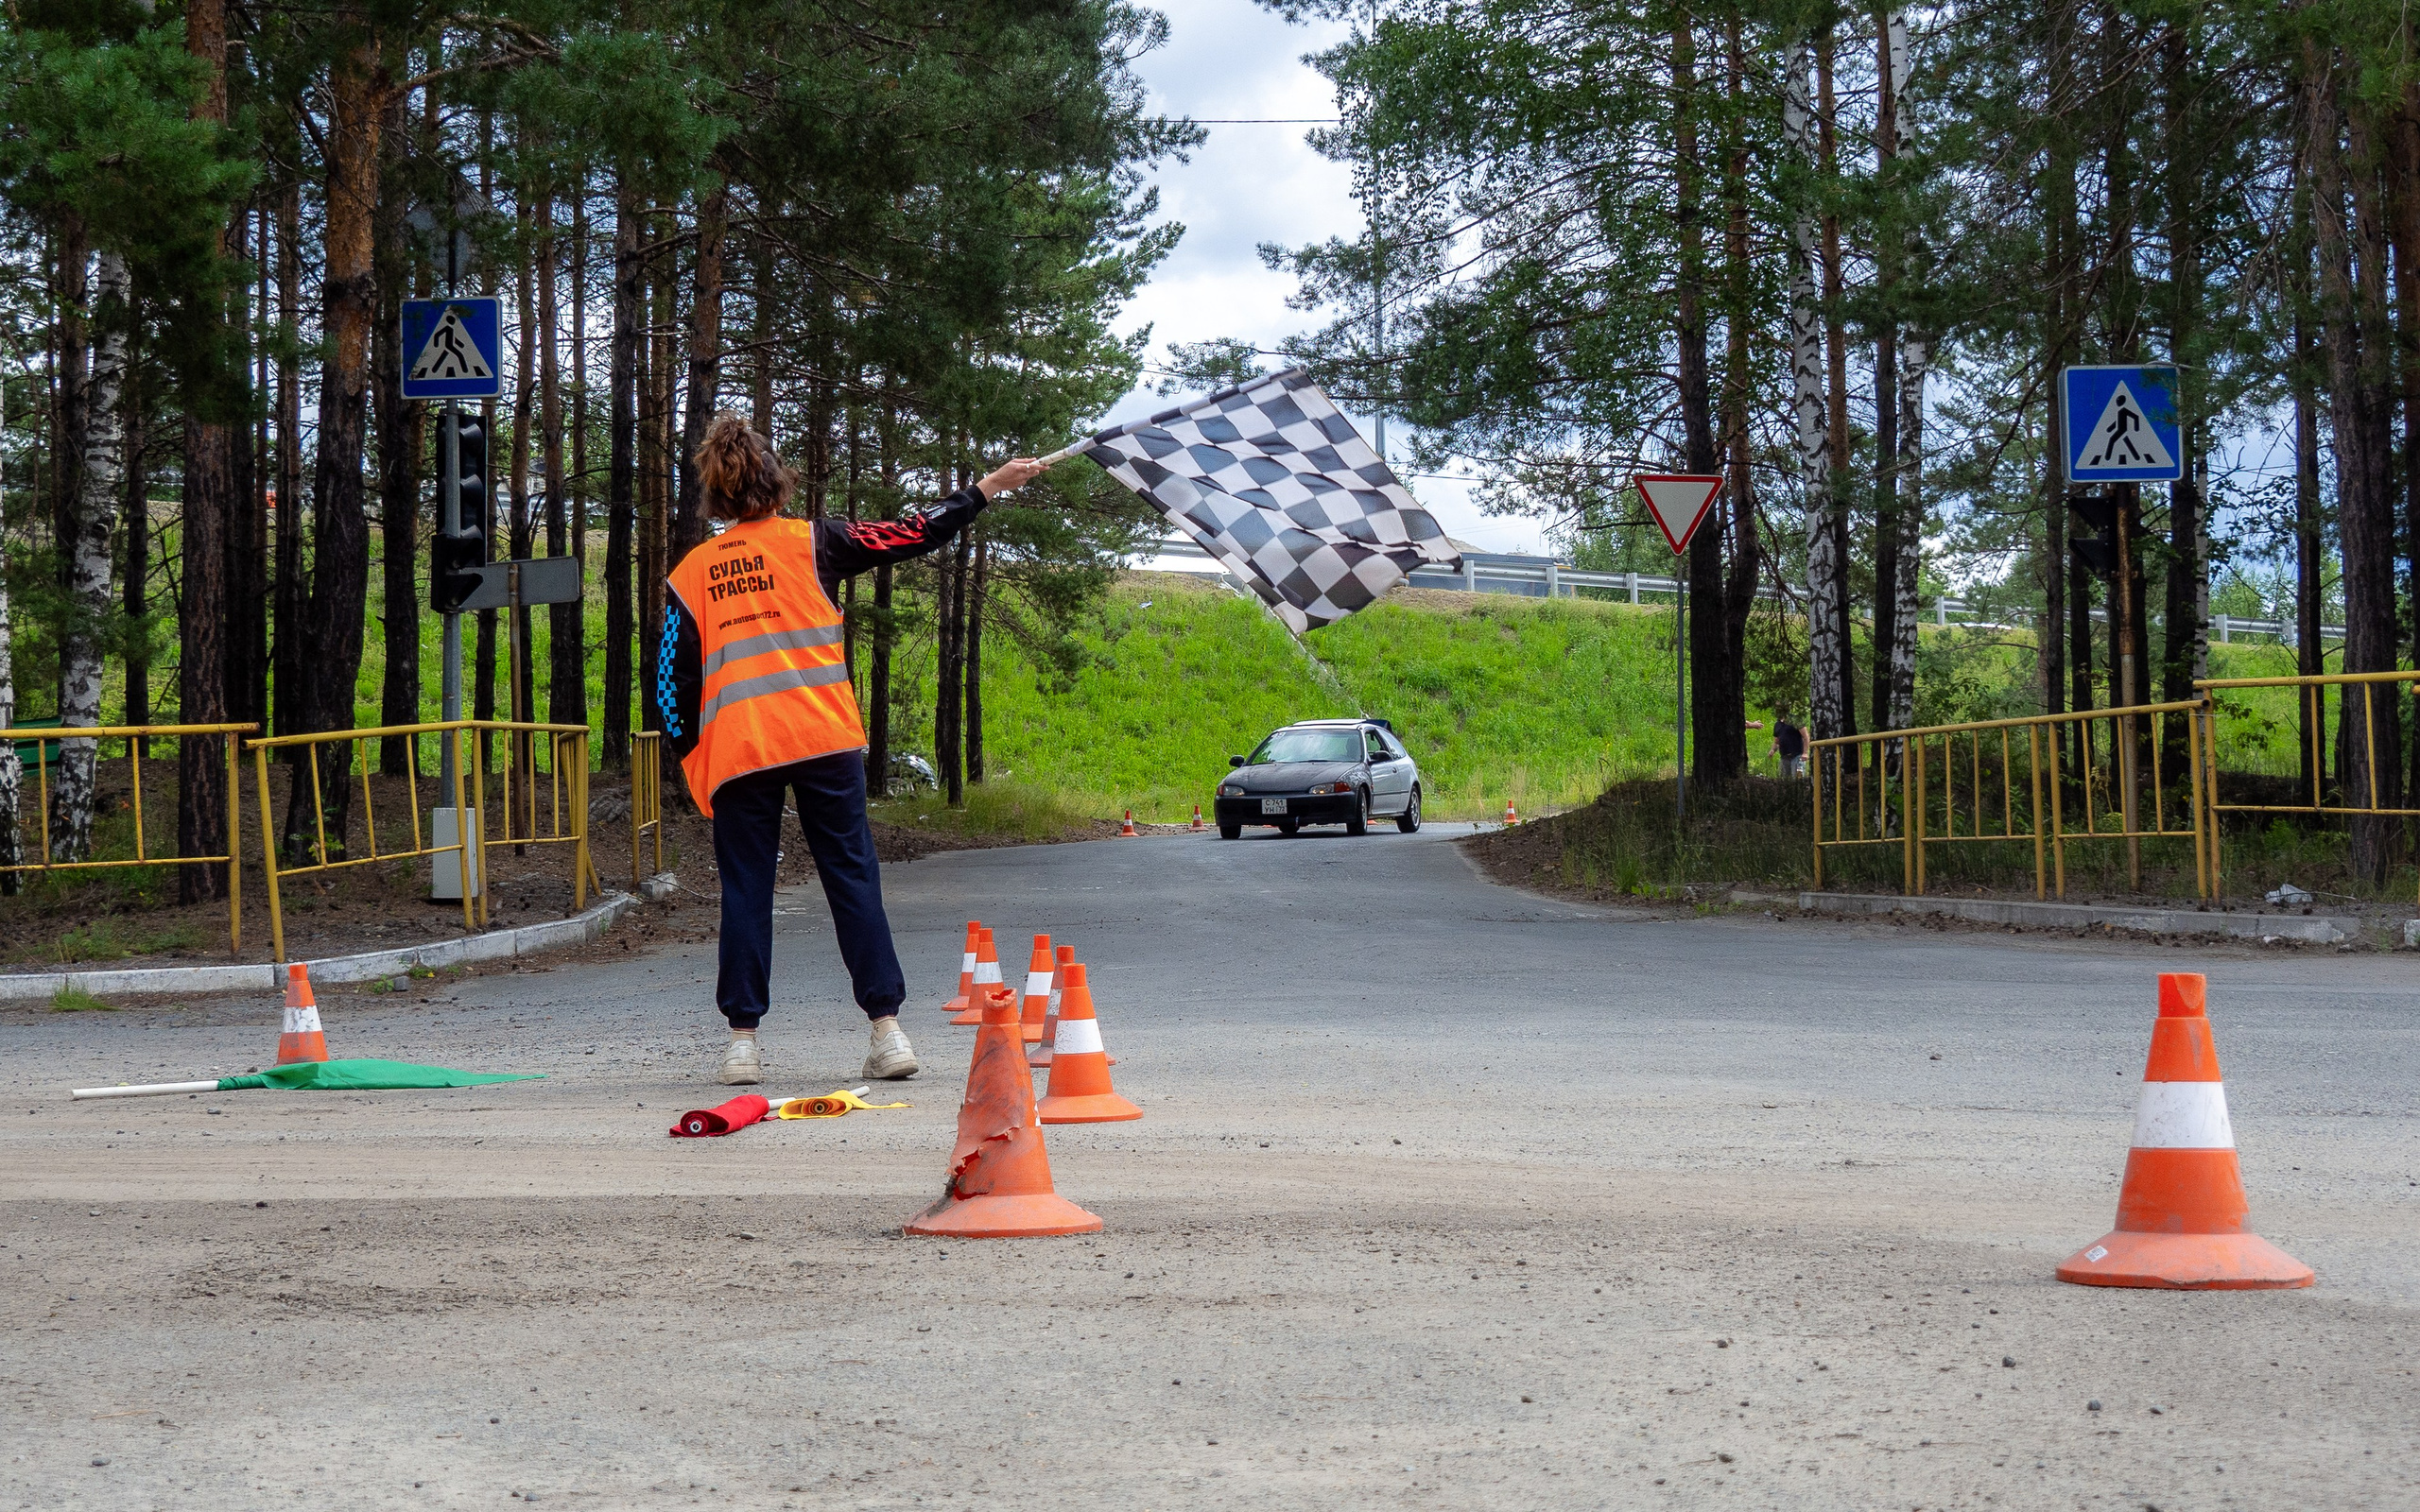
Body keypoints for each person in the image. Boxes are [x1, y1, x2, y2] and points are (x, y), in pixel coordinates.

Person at [657, 414, 1048, 1085]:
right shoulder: (816, 542)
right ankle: (887, 1032)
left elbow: (671, 682)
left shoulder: (691, 573)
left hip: (740, 751)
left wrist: (693, 760)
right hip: (822, 738)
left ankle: (743, 1045)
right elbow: (915, 532)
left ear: (716, 498)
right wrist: (988, 486)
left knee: (746, 890)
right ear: (777, 484)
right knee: (850, 878)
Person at [1772, 714, 1807, 780]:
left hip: (1797, 755)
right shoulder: (1777, 724)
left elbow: (1806, 737)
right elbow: (1777, 741)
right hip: (1784, 757)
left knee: (1797, 780)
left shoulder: (1795, 720)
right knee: (1784, 780)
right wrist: (1773, 750)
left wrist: (1805, 753)